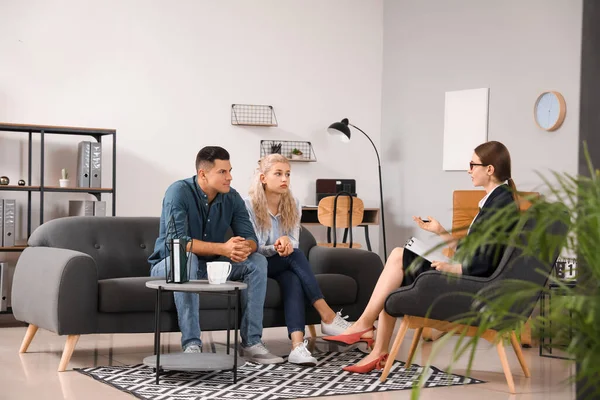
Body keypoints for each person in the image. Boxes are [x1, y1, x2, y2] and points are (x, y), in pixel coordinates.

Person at [324, 141, 520, 373]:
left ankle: (366, 329)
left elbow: (486, 263)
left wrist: (452, 269)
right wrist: (440, 231)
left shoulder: (500, 205)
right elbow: (473, 251)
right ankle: (374, 345)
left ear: (489, 169)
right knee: (395, 272)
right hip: (469, 276)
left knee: (398, 258)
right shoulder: (497, 201)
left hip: (471, 285)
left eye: (472, 164)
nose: (468, 170)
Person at [148, 146, 284, 364]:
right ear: (203, 174)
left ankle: (252, 342)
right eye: (223, 172)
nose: (229, 177)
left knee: (256, 261)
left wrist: (243, 248)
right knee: (187, 258)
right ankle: (192, 344)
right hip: (169, 264)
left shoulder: (232, 197)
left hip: (212, 267)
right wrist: (223, 248)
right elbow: (179, 243)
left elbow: (251, 239)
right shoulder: (178, 192)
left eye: (230, 171)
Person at [244, 154, 352, 366]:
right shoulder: (249, 204)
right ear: (263, 178)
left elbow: (293, 241)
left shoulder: (293, 203)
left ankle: (297, 346)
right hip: (257, 265)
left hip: (283, 262)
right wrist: (277, 246)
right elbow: (254, 246)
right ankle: (328, 316)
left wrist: (285, 243)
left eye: (287, 174)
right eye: (278, 174)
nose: (285, 178)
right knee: (296, 255)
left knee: (292, 278)